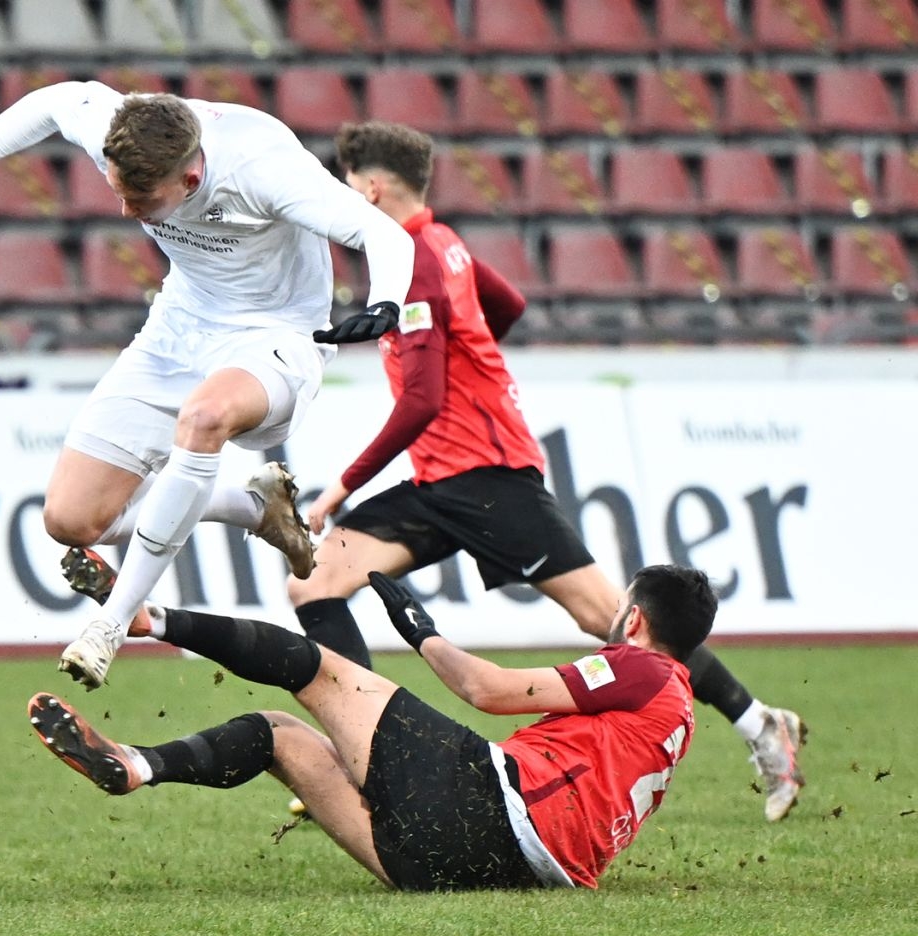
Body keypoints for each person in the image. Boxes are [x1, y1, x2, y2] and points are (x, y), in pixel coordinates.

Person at [286, 121, 805, 821]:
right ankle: (367, 754)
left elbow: (422, 400)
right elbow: (508, 305)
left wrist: (340, 489)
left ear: (372, 187)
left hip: (492, 477)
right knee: (314, 582)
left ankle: (760, 724)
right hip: (442, 482)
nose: (347, 198)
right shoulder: (444, 244)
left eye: (350, 186)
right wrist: (470, 352)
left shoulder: (417, 260)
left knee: (614, 621)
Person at [0, 84, 414, 691]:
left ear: (191, 175)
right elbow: (56, 101)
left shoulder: (264, 167)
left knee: (204, 419)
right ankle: (253, 508)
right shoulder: (122, 131)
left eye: (141, 198)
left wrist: (386, 300)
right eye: (118, 191)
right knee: (72, 520)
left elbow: (385, 234)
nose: (127, 212)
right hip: (179, 328)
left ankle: (112, 623)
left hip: (275, 337)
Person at [27, 564, 717, 892]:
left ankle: (149, 620)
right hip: (486, 873)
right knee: (277, 735)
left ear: (635, 622)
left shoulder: (641, 669)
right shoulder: (677, 711)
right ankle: (136, 763)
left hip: (490, 812)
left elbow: (487, 689)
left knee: (315, 668)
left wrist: (421, 632)